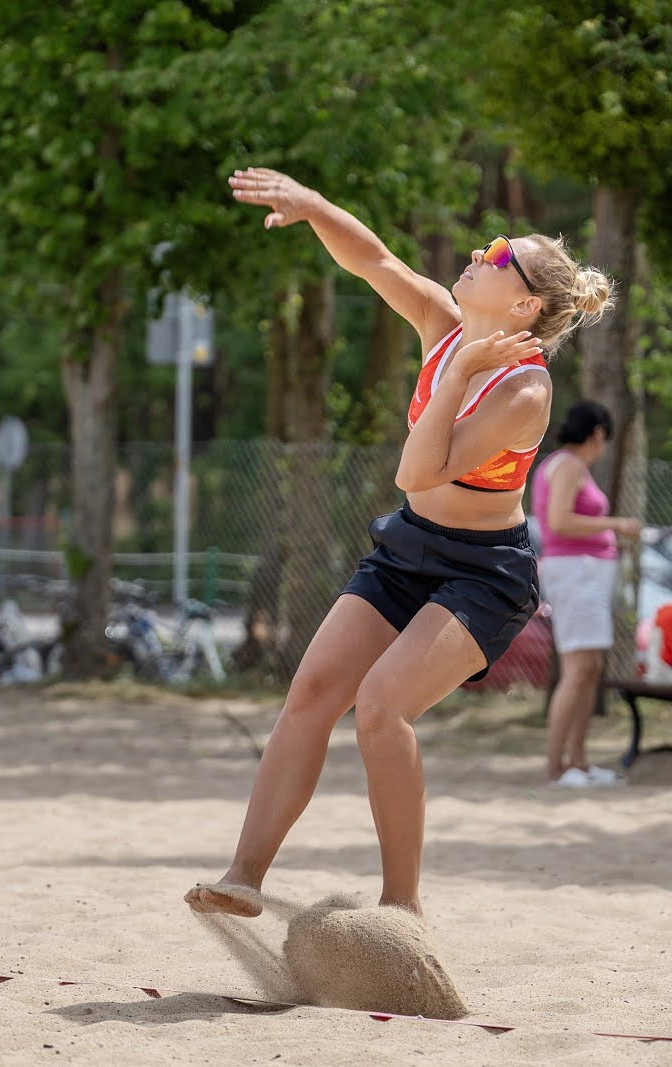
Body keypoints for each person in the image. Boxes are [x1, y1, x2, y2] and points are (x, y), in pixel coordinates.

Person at [184, 167, 612, 920]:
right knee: (312, 693)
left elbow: (416, 471)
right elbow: (374, 260)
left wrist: (459, 374)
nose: (479, 251)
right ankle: (243, 878)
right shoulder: (444, 322)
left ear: (525, 306)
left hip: (484, 573)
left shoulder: (524, 391)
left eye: (499, 253)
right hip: (410, 546)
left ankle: (401, 909)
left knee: (382, 707)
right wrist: (316, 206)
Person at [531, 401, 642, 788]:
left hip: (587, 574)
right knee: (577, 670)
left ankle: (578, 761)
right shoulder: (566, 466)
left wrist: (608, 540)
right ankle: (556, 766)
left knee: (590, 668)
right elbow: (559, 522)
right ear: (598, 433)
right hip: (575, 575)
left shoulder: (570, 466)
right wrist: (617, 525)